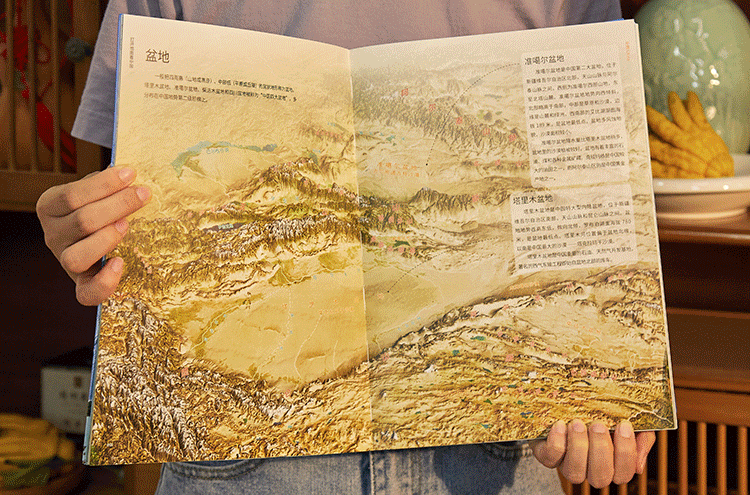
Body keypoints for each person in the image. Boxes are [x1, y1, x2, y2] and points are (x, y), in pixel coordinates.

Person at [36, 1, 656, 493]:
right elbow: (131, 205)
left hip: (494, 448)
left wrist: (612, 390)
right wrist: (89, 236)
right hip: (242, 454)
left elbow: (596, 202)